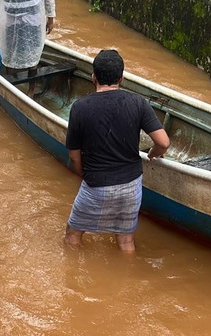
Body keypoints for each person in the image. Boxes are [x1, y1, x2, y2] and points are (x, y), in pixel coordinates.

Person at [64, 49, 170, 252]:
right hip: (131, 186)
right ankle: (128, 273)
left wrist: (85, 176)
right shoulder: (138, 102)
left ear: (93, 77)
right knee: (126, 241)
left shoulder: (80, 107)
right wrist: (153, 153)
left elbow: (74, 156)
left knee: (73, 234)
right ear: (121, 78)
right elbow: (163, 143)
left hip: (96, 184)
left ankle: (73, 271)